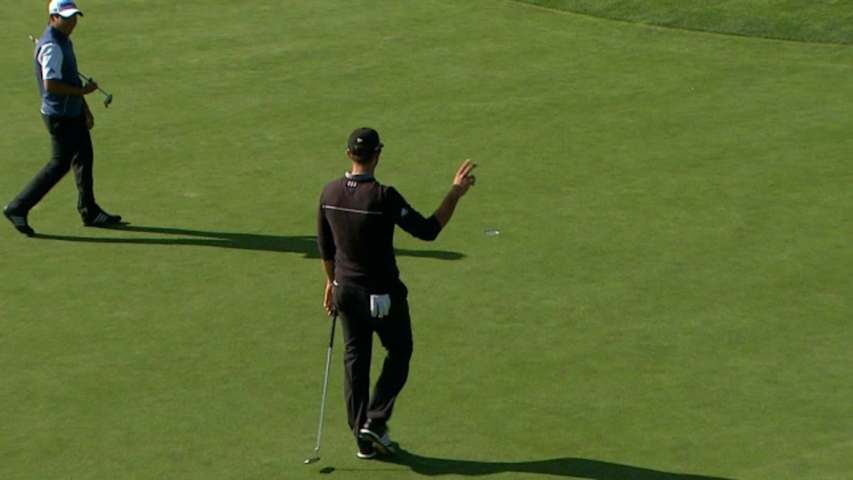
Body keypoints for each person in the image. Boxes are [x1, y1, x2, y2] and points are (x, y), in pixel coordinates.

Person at [316, 127, 477, 459]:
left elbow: (326, 249)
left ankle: (363, 438)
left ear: (348, 155)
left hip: (346, 291)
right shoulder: (383, 197)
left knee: (355, 361)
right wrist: (455, 193)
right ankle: (375, 421)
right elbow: (428, 230)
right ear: (378, 154)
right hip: (382, 296)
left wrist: (331, 284)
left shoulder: (329, 193)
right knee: (400, 351)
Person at [3, 0, 121, 236]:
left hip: (72, 112)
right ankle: (18, 207)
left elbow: (69, 78)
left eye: (74, 17)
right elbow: (52, 85)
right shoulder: (52, 46)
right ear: (53, 18)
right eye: (66, 18)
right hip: (60, 116)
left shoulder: (63, 40)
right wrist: (83, 92)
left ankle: (89, 210)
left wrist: (84, 108)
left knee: (84, 156)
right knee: (59, 165)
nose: (72, 22)